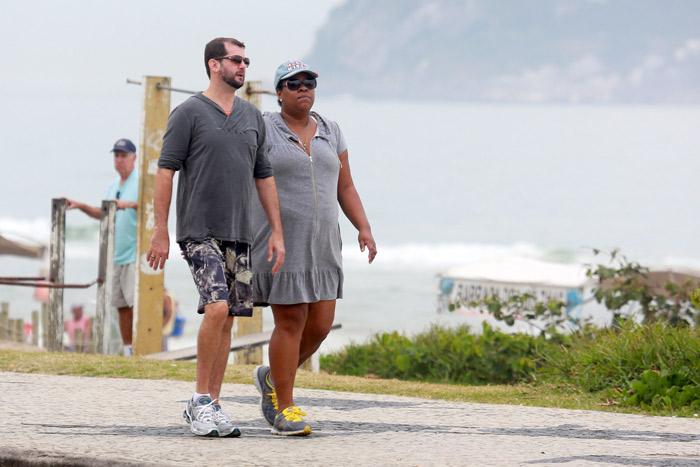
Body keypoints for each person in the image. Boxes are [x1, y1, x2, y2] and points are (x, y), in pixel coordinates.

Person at [147, 37, 285, 438]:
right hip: (199, 230)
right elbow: (165, 171)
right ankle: (198, 402)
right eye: (235, 60)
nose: (243, 66)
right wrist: (160, 230)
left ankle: (215, 403)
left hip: (240, 234)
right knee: (218, 308)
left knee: (228, 322)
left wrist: (276, 232)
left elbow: (265, 176)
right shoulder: (188, 112)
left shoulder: (252, 117)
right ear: (214, 65)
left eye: (245, 60)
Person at [251, 60, 377, 436]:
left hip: (324, 244)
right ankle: (285, 408)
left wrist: (364, 227)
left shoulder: (331, 131)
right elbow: (246, 177)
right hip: (281, 243)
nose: (303, 88)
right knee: (290, 322)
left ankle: (271, 377)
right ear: (279, 92)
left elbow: (345, 187)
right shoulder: (264, 129)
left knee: (319, 326)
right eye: (293, 84)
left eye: (309, 82)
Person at [63, 138, 139, 356]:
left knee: (135, 305)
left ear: (133, 157)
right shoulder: (114, 186)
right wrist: (80, 205)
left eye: (123, 155)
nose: (119, 160)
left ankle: (140, 348)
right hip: (116, 255)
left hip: (134, 253)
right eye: (116, 155)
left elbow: (150, 206)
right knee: (121, 305)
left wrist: (130, 204)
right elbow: (102, 213)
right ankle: (128, 351)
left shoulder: (141, 181)